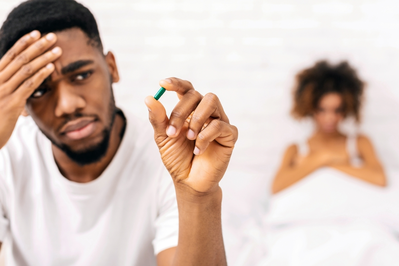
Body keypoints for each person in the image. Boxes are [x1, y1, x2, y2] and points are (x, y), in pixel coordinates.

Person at [0, 0, 238, 265]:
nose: (68, 105)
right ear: (21, 102)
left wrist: (197, 196)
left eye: (81, 75)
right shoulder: (6, 154)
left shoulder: (172, 159)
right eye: (40, 90)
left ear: (111, 67)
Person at [272, 60, 386, 194]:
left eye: (337, 110)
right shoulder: (295, 149)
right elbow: (276, 187)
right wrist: (323, 158)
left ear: (347, 108)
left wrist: (325, 162)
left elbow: (380, 179)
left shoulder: (359, 143)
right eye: (322, 110)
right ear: (310, 108)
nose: (330, 118)